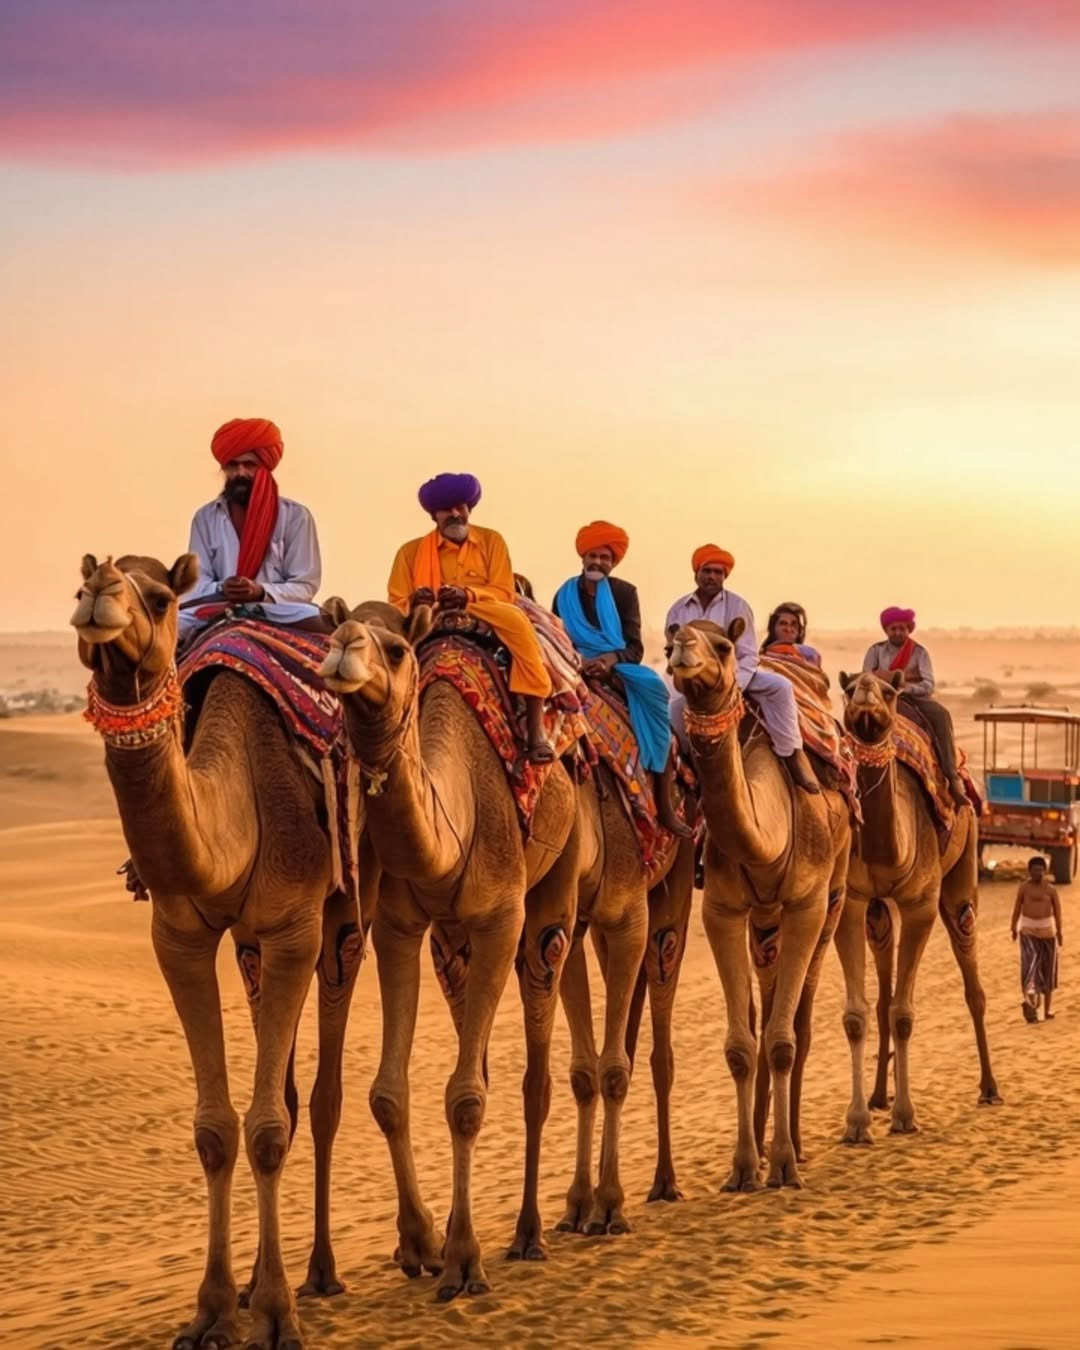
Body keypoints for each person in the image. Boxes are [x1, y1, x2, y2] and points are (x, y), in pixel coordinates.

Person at [388, 472, 554, 762]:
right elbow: (396, 601)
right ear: (433, 516)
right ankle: (385, 725)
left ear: (469, 508)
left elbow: (503, 592)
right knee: (381, 646)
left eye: (460, 507)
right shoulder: (409, 552)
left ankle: (535, 727)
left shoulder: (492, 541)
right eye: (446, 509)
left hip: (482, 608)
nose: (455, 514)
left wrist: (468, 596)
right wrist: (416, 602)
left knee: (517, 623)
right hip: (430, 615)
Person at [553, 520, 690, 836]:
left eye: (605, 557)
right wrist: (578, 661)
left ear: (612, 562)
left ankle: (665, 807)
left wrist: (609, 661)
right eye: (593, 556)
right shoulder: (564, 595)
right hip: (570, 665)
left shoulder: (625, 593)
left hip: (616, 668)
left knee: (657, 698)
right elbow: (556, 637)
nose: (598, 562)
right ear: (583, 557)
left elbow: (634, 646)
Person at [665, 545, 820, 793]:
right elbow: (673, 652)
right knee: (671, 710)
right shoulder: (679, 610)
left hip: (733, 675)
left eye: (718, 572)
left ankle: (792, 754)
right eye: (707, 571)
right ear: (696, 573)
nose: (712, 577)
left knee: (780, 687)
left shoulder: (738, 607)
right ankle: (684, 766)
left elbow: (747, 655)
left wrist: (732, 686)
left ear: (725, 576)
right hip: (693, 676)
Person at [179, 417, 324, 641]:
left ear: (265, 468)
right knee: (168, 627)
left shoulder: (296, 516)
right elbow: (196, 584)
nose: (240, 473)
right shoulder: (205, 518)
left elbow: (305, 585)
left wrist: (259, 591)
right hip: (218, 606)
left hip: (275, 609)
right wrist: (223, 588)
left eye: (249, 465)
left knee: (321, 621)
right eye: (232, 465)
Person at [863, 606, 967, 806]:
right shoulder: (875, 651)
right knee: (857, 716)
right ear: (886, 630)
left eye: (902, 629)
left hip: (912, 698)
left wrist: (904, 689)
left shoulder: (919, 652)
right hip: (881, 698)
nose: (898, 632)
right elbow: (866, 678)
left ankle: (951, 777)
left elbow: (928, 684)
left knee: (942, 715)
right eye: (893, 629)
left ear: (909, 629)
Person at [1011, 856, 1063, 1022]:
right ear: (1030, 871)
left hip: (1047, 933)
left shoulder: (1051, 890)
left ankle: (1047, 1011)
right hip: (1028, 931)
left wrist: (1060, 932)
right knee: (1030, 968)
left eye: (1041, 870)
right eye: (1035, 870)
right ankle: (1031, 1008)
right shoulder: (1024, 888)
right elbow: (1017, 907)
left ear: (1045, 871)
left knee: (1048, 971)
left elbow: (1058, 911)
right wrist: (1013, 927)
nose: (1038, 873)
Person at [761, 602, 822, 667]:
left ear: (800, 630)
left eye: (794, 625)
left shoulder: (810, 654)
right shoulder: (760, 658)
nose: (788, 629)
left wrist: (803, 664)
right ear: (773, 627)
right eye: (783, 623)